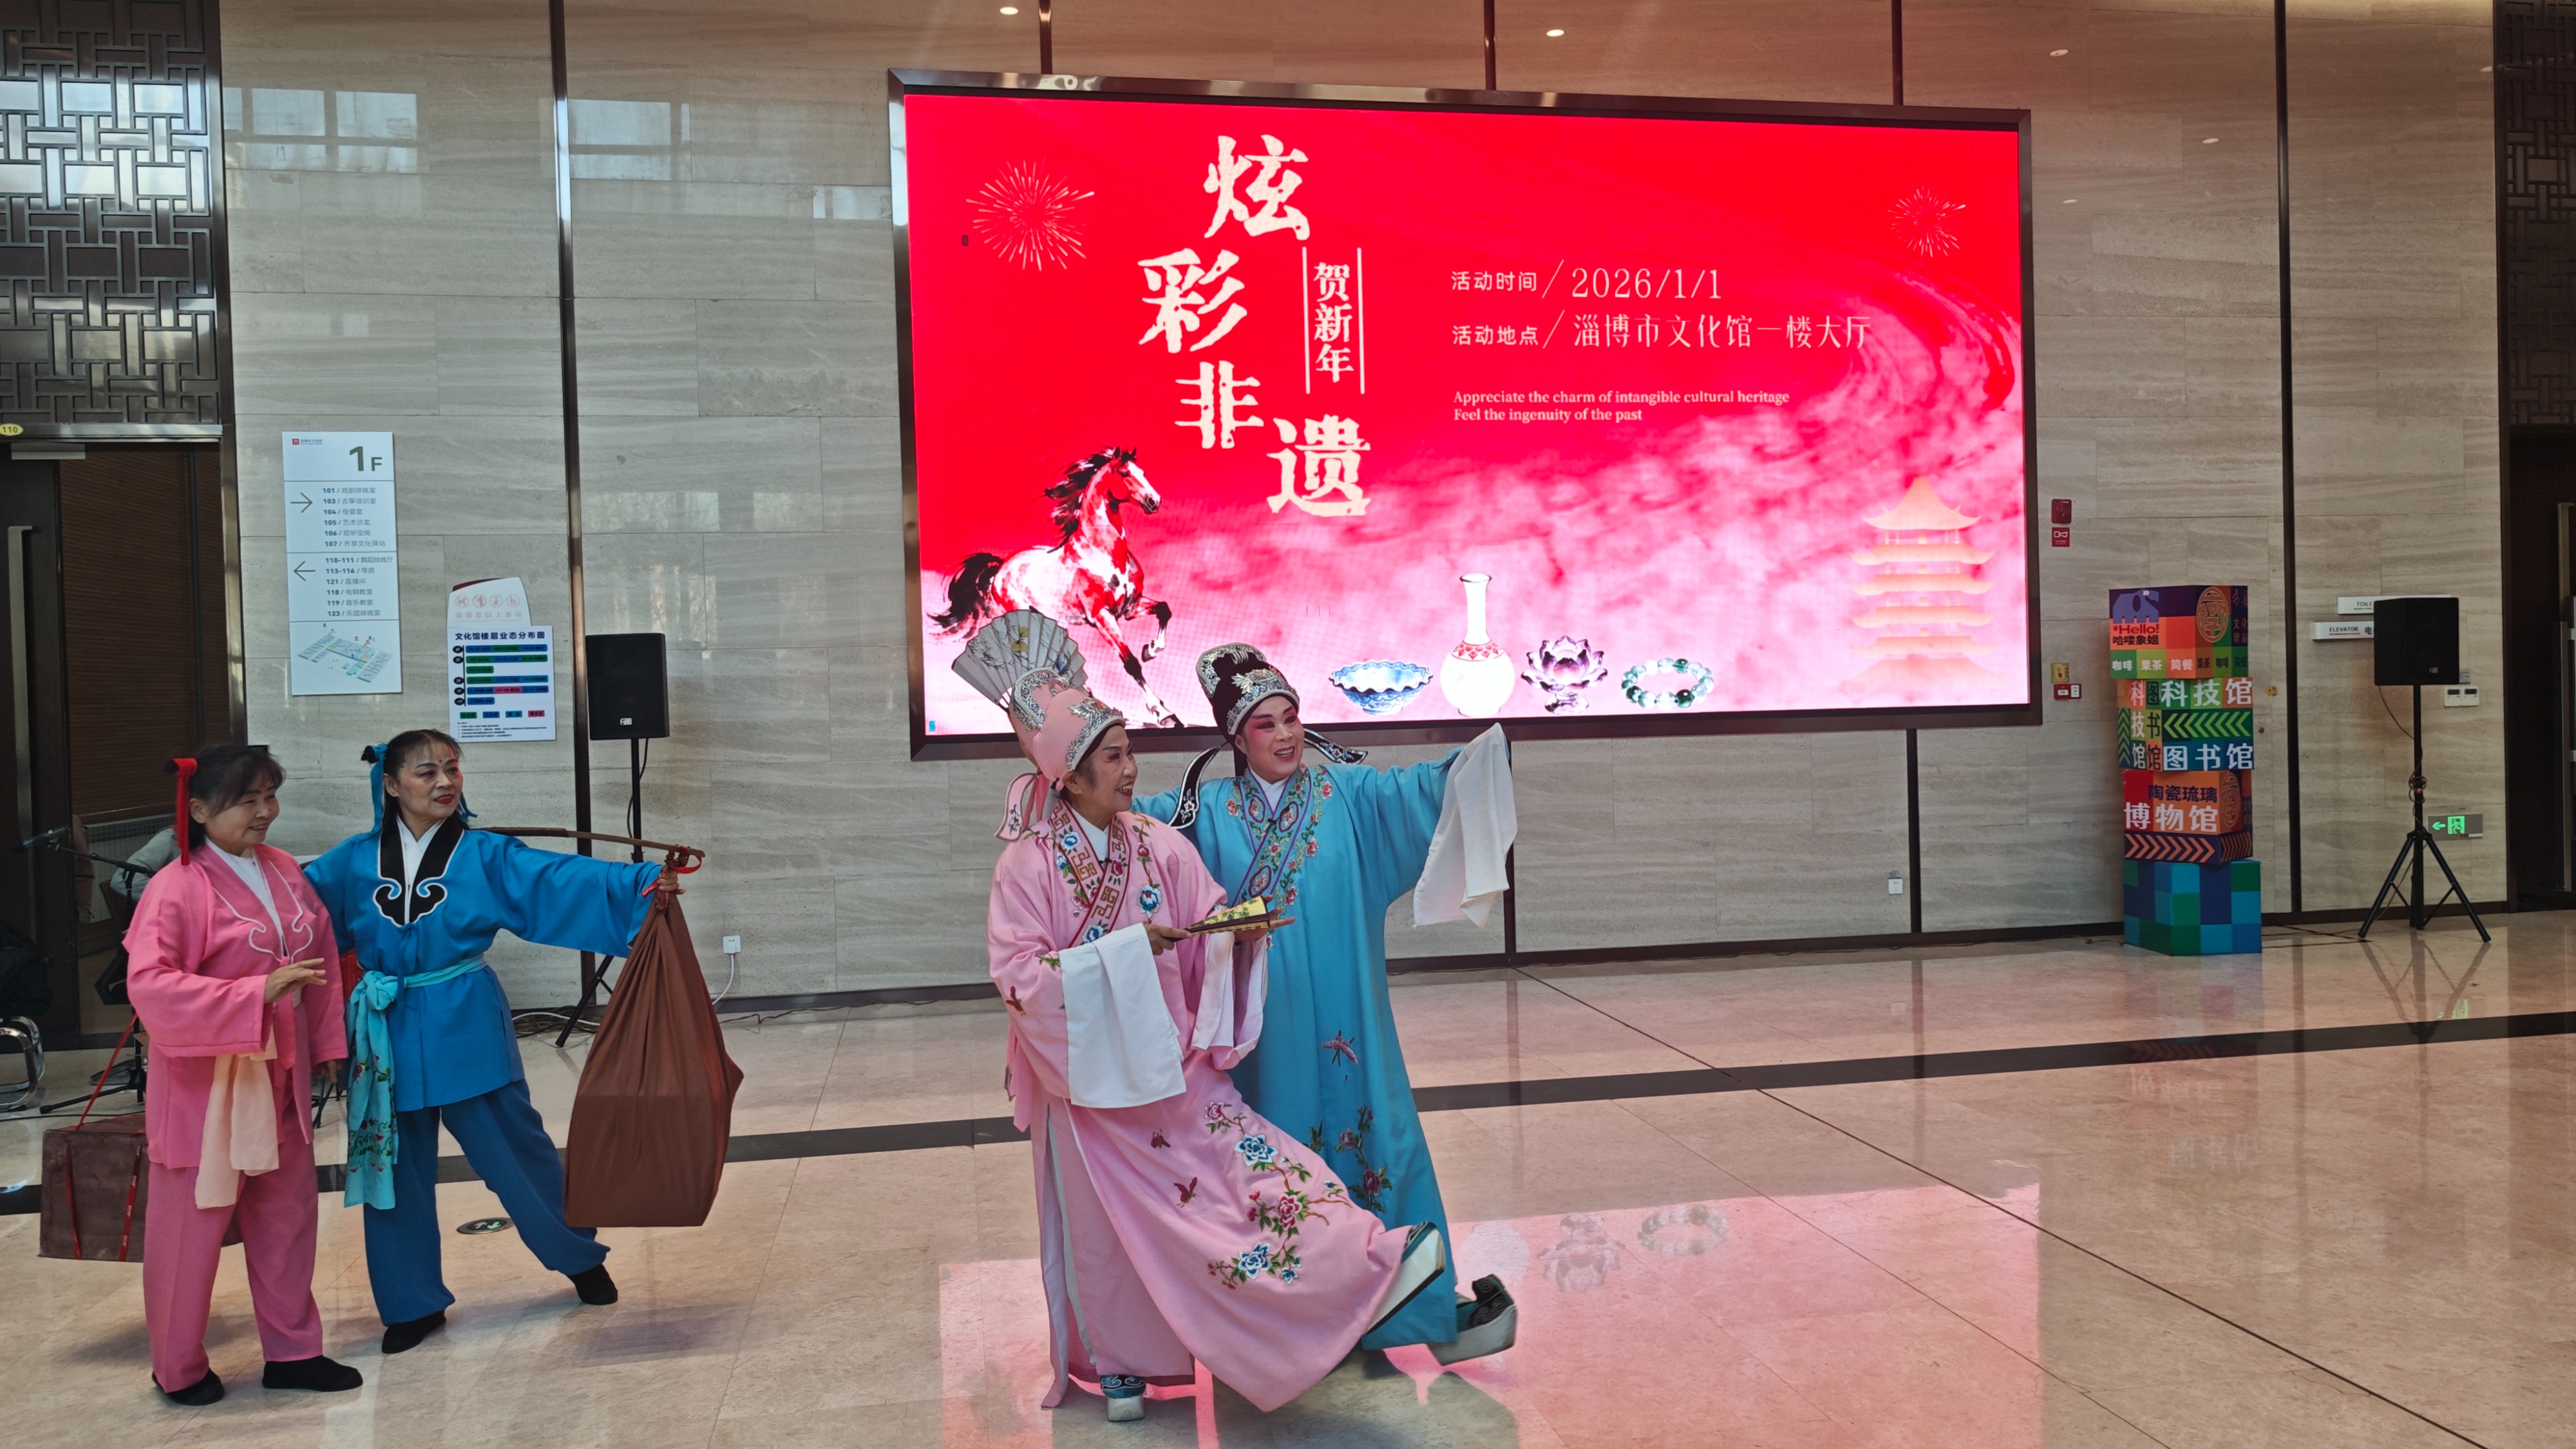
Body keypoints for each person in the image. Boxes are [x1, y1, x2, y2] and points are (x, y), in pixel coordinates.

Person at [960, 611, 1446, 1422]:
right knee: (1112, 1233)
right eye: (1112, 757)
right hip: (1088, 1095)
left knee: (1269, 1175)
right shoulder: (1025, 867)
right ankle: (1121, 1366)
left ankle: (1364, 1270)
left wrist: (1236, 937)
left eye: (1127, 751)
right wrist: (1126, 952)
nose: (1130, 769)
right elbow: (1018, 978)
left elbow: (1206, 922)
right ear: (1068, 779)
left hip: (1178, 1076)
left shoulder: (1158, 844)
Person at [1135, 643, 1517, 1360]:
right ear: (1236, 739)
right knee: (1275, 1162)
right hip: (1262, 1033)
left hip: (1351, 1014)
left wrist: (1473, 766)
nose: (1285, 735)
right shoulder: (1202, 812)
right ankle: (1294, 1326)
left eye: (1292, 717)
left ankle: (1421, 1312)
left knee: (1382, 1136)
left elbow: (1417, 791)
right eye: (1265, 724)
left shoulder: (1350, 796)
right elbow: (1129, 833)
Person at [303, 729, 663, 1355]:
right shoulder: (350, 862)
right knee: (394, 1167)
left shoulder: (486, 854)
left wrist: (646, 884)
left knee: (515, 1150)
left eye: (452, 769)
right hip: (384, 1024)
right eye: (426, 772)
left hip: (462, 1012)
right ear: (390, 784)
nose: (445, 782)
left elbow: (560, 880)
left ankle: (577, 1256)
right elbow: (292, 915)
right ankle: (411, 1302)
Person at [124, 745, 362, 1405]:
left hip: (280, 1070)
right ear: (199, 810)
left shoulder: (283, 868)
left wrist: (328, 1043)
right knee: (190, 1228)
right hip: (209, 1084)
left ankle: (294, 1352)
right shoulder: (176, 886)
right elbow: (150, 986)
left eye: (269, 797)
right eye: (248, 800)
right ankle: (177, 1366)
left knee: (287, 1214)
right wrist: (254, 993)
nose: (265, 812)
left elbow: (319, 957)